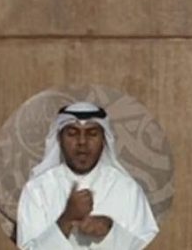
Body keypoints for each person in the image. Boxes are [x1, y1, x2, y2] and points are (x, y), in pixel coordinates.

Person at [16, 102, 159, 249]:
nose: (82, 142)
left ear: (104, 140)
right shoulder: (36, 190)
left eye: (92, 134)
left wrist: (112, 231)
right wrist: (66, 220)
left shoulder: (128, 189)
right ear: (59, 139)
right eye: (72, 134)